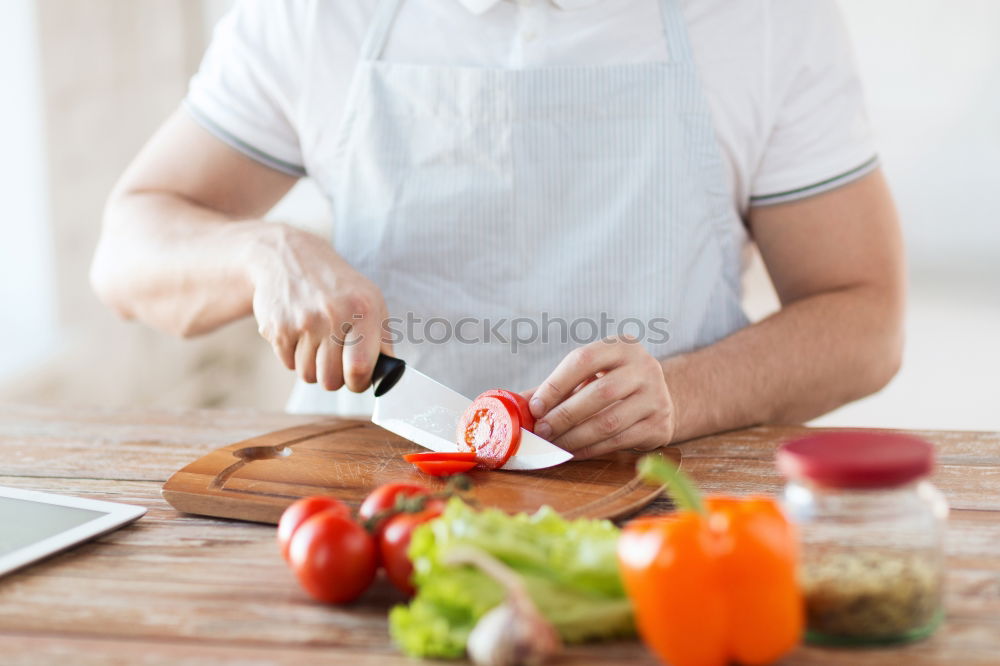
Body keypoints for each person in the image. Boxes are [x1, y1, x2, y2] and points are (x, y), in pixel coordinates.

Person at [91, 0, 904, 459]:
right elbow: (127, 248)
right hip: (369, 511)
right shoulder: (315, 16)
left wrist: (682, 395)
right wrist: (263, 252)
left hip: (666, 500)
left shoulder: (764, 22)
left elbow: (864, 318)